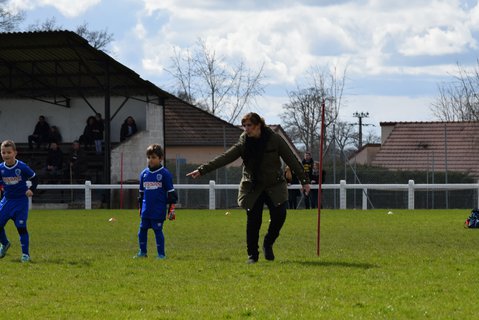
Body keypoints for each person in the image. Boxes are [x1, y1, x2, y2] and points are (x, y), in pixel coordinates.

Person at [187, 112, 310, 264]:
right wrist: (201, 170)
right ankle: (252, 255)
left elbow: (291, 158)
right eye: (244, 126)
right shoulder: (243, 142)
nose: (246, 129)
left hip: (274, 185)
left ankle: (268, 242)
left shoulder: (275, 139)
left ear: (258, 125)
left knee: (280, 216)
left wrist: (304, 181)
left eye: (249, 125)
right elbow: (226, 157)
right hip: (253, 186)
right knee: (253, 220)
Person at [134, 144, 177, 259]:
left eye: (153, 157)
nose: (150, 160)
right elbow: (141, 194)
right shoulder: (144, 174)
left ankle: (161, 254)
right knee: (141, 231)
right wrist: (140, 207)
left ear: (160, 158)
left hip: (158, 210)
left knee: (158, 231)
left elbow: (171, 194)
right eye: (149, 157)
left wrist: (171, 210)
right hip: (146, 210)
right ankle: (142, 253)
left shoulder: (165, 174)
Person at [0, 140, 38, 262]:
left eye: (9, 152)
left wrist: (31, 189)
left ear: (15, 153)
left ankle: (25, 254)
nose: (6, 155)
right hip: (6, 201)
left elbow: (35, 177)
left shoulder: (22, 167)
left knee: (21, 227)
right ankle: (5, 244)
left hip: (20, 202)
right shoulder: (0, 168)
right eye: (3, 152)